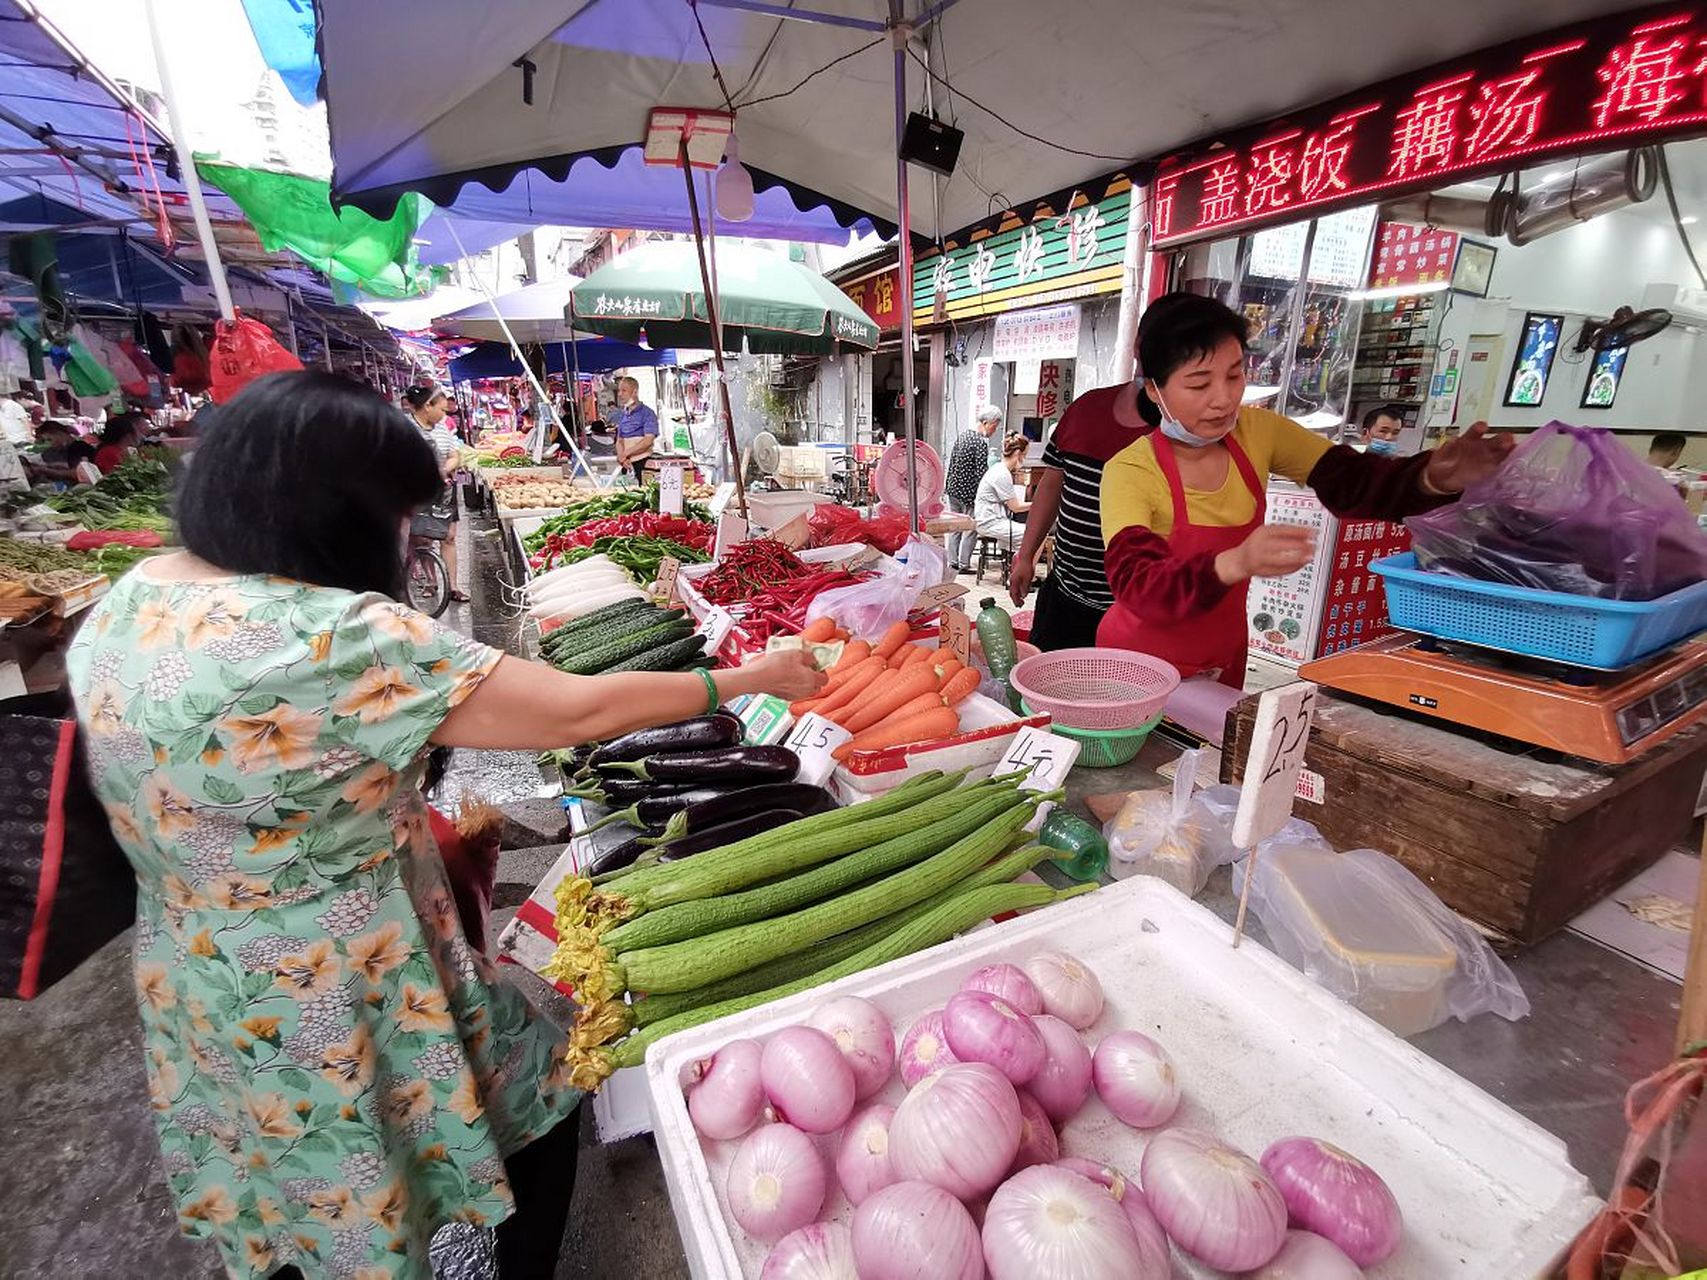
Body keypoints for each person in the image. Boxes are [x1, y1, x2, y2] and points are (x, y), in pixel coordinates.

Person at [66, 371, 824, 1280]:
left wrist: (408, 834)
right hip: (349, 978)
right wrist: (747, 679)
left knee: (290, 1190)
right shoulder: (337, 635)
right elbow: (574, 712)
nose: (403, 536)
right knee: (482, 1134)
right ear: (334, 508)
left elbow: (254, 782)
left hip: (200, 973)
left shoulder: (131, 600)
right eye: (396, 512)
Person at [1100, 293, 1514, 687]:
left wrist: (1432, 478)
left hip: (1220, 659)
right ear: (1155, 389)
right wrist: (1234, 562)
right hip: (1137, 666)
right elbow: (1138, 583)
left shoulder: (1257, 432)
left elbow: (1351, 480)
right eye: (1198, 384)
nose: (1223, 400)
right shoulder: (1131, 470)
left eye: (1235, 374)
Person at [1009, 380, 1150, 649]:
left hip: (1137, 614)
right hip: (1066, 594)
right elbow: (1052, 484)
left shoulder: (1184, 430)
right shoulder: (1086, 408)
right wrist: (1026, 556)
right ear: (1138, 348)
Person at [403, 382, 469, 604]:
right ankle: (431, 582)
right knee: (422, 538)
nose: (444, 414)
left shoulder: (442, 428)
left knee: (449, 537)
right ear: (427, 406)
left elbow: (454, 455)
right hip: (417, 490)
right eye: (441, 409)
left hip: (444, 489)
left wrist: (443, 469)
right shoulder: (405, 427)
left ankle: (454, 587)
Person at [945, 405, 1004, 572]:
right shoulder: (979, 442)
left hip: (953, 490)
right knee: (971, 528)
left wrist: (948, 486)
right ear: (985, 423)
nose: (995, 429)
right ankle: (964, 564)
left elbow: (952, 464)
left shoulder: (962, 436)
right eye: (995, 425)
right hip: (969, 493)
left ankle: (953, 561)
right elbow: (981, 473)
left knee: (955, 527)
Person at [974, 432, 1032, 554]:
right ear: (1017, 454)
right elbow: (1015, 507)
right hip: (990, 523)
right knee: (1035, 535)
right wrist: (1037, 504)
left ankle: (1016, 567)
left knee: (1029, 535)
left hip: (992, 520)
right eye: (1024, 455)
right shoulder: (1002, 474)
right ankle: (1024, 570)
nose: (1024, 459)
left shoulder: (999, 469)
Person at [25, 418, 98, 486]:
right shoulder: (68, 448)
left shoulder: (78, 447)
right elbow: (70, 465)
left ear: (59, 434)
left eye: (50, 439)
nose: (50, 445)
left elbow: (76, 473)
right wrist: (49, 466)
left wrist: (45, 470)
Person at [613, 375, 658, 484]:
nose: (620, 394)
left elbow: (648, 440)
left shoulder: (648, 413)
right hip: (626, 464)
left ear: (634, 392)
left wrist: (626, 453)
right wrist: (622, 457)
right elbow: (619, 440)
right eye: (619, 391)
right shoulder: (623, 415)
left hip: (643, 463)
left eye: (624, 391)